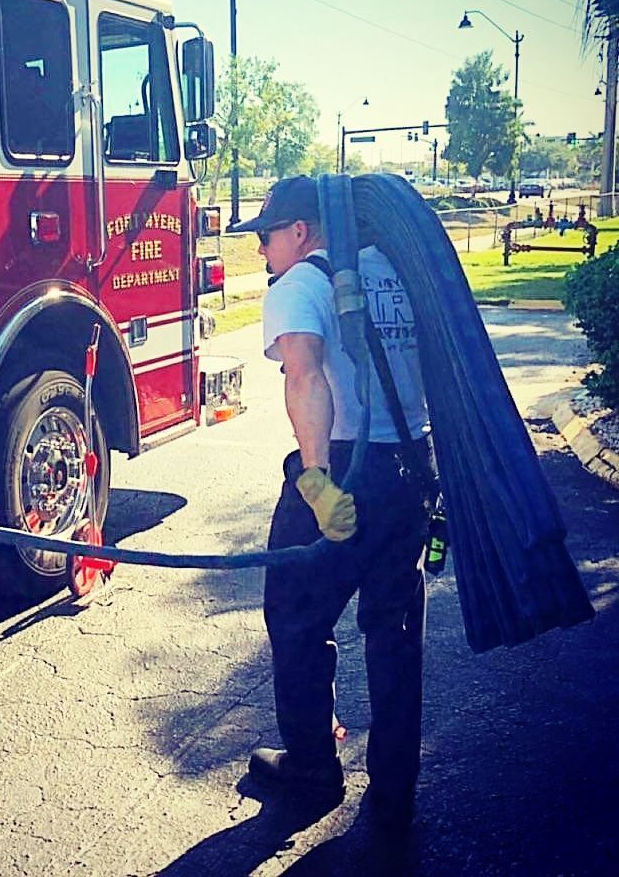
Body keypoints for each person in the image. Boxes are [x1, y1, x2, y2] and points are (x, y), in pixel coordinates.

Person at [229, 176, 432, 832]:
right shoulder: (398, 276)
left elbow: (306, 373)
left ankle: (314, 769)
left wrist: (315, 478)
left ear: (300, 230)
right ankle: (396, 783)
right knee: (395, 627)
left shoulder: (300, 285)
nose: (260, 252)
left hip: (344, 463)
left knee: (294, 615)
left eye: (265, 236)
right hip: (409, 465)